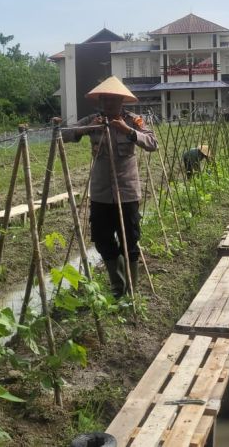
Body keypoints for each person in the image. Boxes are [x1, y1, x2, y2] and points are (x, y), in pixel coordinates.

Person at [59, 76, 158, 298]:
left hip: (127, 192)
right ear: (100, 102)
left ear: (122, 101)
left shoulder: (134, 121)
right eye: (105, 100)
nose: (109, 104)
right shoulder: (92, 120)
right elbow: (62, 136)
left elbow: (153, 143)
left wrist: (128, 131)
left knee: (130, 242)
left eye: (114, 100)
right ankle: (118, 287)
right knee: (103, 241)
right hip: (101, 193)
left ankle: (132, 291)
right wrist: (83, 130)